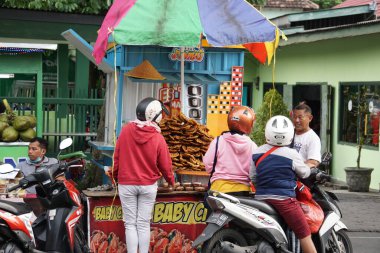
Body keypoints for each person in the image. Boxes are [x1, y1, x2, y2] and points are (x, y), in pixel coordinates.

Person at [110, 97, 175, 253]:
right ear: (155, 116)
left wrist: (115, 177)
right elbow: (166, 165)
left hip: (126, 184)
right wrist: (171, 181)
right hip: (148, 186)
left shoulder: (125, 130)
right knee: (143, 224)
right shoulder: (158, 137)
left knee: (130, 224)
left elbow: (116, 158)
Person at [251, 115, 317, 253]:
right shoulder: (292, 154)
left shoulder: (257, 152)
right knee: (305, 234)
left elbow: (253, 176)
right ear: (289, 135)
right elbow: (304, 173)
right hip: (285, 201)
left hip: (260, 199)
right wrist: (309, 167)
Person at [203, 105, 257, 197]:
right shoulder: (252, 146)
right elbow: (254, 172)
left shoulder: (218, 141)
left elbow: (208, 166)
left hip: (218, 191)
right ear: (248, 123)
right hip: (243, 194)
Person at [16, 137, 58, 216]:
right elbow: (17, 186)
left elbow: (61, 180)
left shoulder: (53, 162)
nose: (29, 152)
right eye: (29, 149)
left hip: (51, 199)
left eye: (33, 149)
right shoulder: (21, 166)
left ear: (43, 151)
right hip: (29, 201)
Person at [292, 103, 321, 167]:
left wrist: (295, 167)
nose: (297, 120)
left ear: (310, 118)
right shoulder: (288, 133)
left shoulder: (313, 138)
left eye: (300, 117)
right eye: (294, 117)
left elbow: (313, 162)